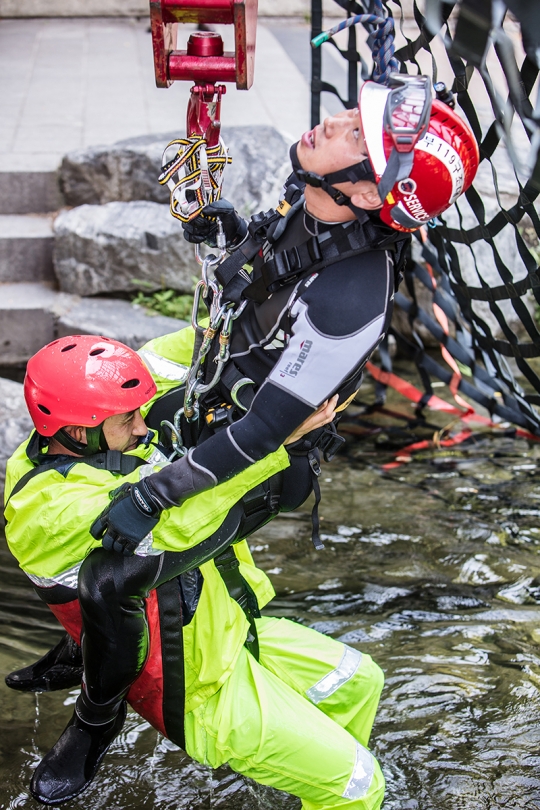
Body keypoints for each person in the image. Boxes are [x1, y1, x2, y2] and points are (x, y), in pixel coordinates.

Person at [6, 74, 479, 808]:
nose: (335, 121)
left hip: (232, 532)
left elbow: (261, 430)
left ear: (365, 191)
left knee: (360, 682)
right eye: (353, 114)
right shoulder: (308, 204)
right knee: (363, 784)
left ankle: (267, 768)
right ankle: (99, 719)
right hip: (197, 665)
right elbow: (245, 300)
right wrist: (230, 241)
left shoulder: (348, 297)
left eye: (358, 132)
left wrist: (160, 487)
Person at [4, 333, 385, 810]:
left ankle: (310, 776)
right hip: (194, 684)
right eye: (130, 419)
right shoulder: (46, 510)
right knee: (360, 785)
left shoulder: (83, 419)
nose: (144, 428)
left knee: (358, 680)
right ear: (82, 432)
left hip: (225, 632)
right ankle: (333, 783)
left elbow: (182, 352)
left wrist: (273, 327)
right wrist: (275, 437)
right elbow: (180, 513)